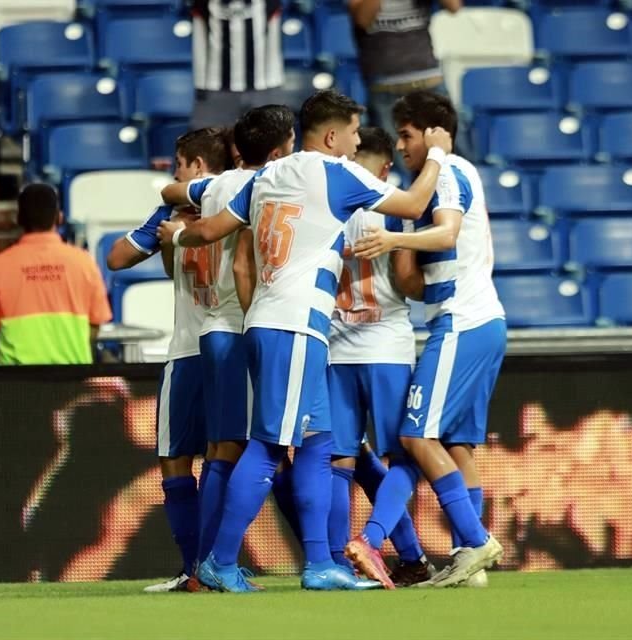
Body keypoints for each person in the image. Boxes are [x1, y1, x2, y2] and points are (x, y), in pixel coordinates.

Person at [156, 89, 453, 592]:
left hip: (280, 321)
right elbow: (416, 202)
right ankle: (219, 562)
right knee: (271, 447)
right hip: (295, 323)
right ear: (332, 135)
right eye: (354, 133)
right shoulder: (335, 172)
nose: (358, 142)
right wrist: (440, 153)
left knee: (317, 444)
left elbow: (209, 230)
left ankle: (321, 563)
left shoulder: (269, 176)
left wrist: (176, 237)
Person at [344, 90, 505, 589]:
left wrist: (396, 238)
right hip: (468, 318)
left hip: (463, 320)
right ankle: (468, 559)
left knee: (415, 436)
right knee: (456, 445)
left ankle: (476, 541)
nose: (400, 144)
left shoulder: (449, 171)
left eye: (408, 134)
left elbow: (448, 234)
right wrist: (400, 251)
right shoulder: (425, 187)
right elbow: (416, 283)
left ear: (434, 134)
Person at [159, 105, 297, 586]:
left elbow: (172, 191)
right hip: (241, 327)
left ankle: (201, 567)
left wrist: (176, 224)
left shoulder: (215, 186)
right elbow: (245, 266)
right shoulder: (271, 187)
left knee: (222, 447)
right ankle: (217, 563)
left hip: (209, 329)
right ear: (279, 151)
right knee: (234, 449)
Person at [106, 127, 230, 592]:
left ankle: (197, 569)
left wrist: (165, 234)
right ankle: (217, 567)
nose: (172, 173)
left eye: (179, 163)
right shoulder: (245, 198)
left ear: (197, 166)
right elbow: (119, 259)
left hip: (192, 349)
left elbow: (117, 258)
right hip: (235, 348)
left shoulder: (176, 210)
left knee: (178, 459)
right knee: (230, 458)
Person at [326, 126, 434, 586]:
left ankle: (337, 564)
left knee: (337, 462)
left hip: (335, 345)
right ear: (385, 166)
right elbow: (409, 283)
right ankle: (372, 541)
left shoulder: (328, 204)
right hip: (387, 344)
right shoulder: (395, 207)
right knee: (405, 456)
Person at [0, 183, 111, 365]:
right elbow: (96, 323)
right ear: (59, 217)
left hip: (14, 384)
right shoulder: (84, 263)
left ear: (18, 218)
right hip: (73, 380)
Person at [348, 0, 463, 174]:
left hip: (429, 83)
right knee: (398, 167)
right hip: (386, 91)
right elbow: (363, 19)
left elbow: (454, 6)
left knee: (452, 161)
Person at [189, 0, 286, 129]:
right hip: (215, 89)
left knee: (271, 143)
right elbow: (199, 40)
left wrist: (275, 85)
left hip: (264, 87)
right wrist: (200, 85)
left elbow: (275, 39)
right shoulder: (204, 4)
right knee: (208, 144)